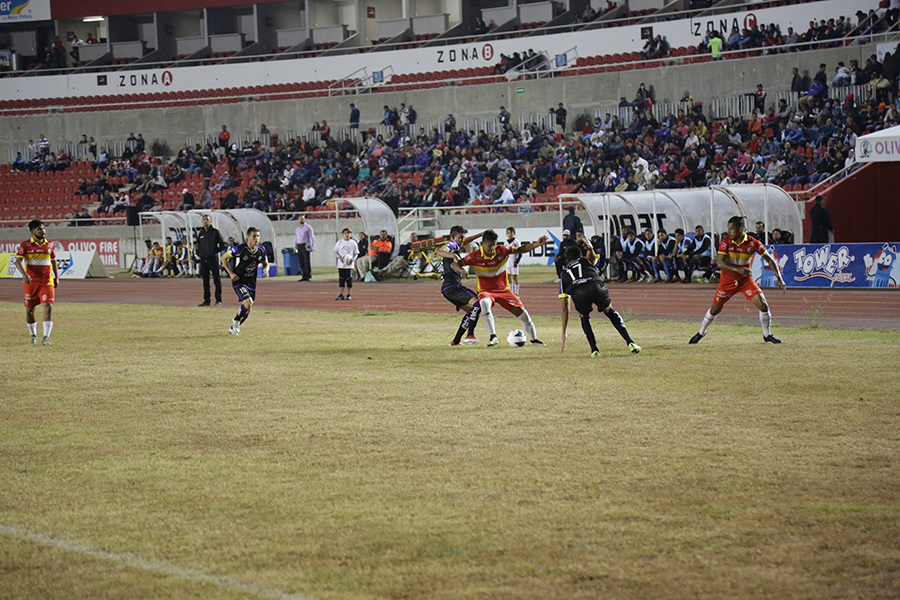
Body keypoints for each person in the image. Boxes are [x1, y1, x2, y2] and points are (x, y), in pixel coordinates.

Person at [689, 216, 786, 345]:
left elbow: (769, 259)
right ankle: (702, 332)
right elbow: (720, 263)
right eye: (728, 229)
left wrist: (779, 278)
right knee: (715, 309)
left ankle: (767, 335)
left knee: (763, 305)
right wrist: (737, 270)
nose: (728, 232)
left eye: (731, 229)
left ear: (740, 229)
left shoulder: (753, 243)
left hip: (745, 281)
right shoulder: (725, 242)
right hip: (727, 281)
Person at [455, 229, 550, 347]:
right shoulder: (475, 256)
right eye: (490, 246)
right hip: (486, 291)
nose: (492, 248)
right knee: (484, 303)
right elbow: (455, 264)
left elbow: (520, 250)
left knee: (523, 313)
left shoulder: (502, 250)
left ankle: (534, 340)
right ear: (483, 244)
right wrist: (461, 270)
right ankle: (493, 337)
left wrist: (536, 244)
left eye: (494, 245)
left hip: (504, 290)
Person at [560, 234, 640, 356]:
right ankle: (630, 342)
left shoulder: (564, 273)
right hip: (595, 285)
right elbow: (592, 257)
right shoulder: (586, 261)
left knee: (584, 317)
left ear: (567, 259)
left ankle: (594, 350)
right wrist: (590, 248)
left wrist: (564, 331)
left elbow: (565, 307)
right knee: (610, 311)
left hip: (579, 291)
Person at [435, 226, 486, 346]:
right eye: (460, 238)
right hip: (453, 287)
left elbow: (464, 242)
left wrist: (480, 234)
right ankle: (470, 335)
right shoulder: (451, 245)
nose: (462, 241)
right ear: (453, 237)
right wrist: (459, 266)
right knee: (478, 304)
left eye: (463, 238)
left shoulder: (455, 245)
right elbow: (440, 252)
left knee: (472, 311)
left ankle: (456, 341)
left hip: (447, 289)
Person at [15, 220, 59, 345]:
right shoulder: (25, 245)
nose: (43, 230)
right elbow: (17, 261)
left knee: (48, 306)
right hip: (31, 282)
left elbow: (54, 261)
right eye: (40, 229)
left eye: (44, 228)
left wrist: (56, 277)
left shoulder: (50, 245)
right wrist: (24, 274)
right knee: (30, 310)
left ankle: (46, 337)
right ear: (32, 231)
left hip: (47, 281)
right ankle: (33, 335)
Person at [222, 227, 269, 336]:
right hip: (239, 281)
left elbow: (265, 263)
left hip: (251, 282)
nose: (256, 239)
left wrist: (266, 269)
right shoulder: (240, 249)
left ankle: (235, 325)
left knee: (248, 307)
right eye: (254, 236)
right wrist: (230, 273)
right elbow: (224, 258)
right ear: (248, 237)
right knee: (248, 302)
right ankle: (236, 322)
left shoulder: (261, 250)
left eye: (258, 236)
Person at [196, 213, 226, 306]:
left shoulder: (215, 232)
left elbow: (223, 245)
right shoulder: (201, 233)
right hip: (203, 259)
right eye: (204, 219)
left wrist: (214, 251)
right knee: (205, 281)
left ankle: (218, 300)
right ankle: (207, 300)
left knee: (216, 280)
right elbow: (198, 245)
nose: (206, 221)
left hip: (212, 259)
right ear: (202, 221)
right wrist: (199, 253)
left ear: (210, 221)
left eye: (207, 219)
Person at [333, 228, 359, 301]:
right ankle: (341, 294)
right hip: (341, 264)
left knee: (349, 279)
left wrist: (353, 259)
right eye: (345, 233)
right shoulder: (340, 242)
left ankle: (349, 294)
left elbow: (356, 253)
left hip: (349, 265)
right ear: (343, 234)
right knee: (341, 279)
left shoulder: (353, 243)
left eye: (348, 233)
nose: (347, 235)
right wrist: (340, 257)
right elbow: (335, 251)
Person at [294, 214, 316, 281]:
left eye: (302, 218)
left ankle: (308, 275)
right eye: (300, 219)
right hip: (299, 245)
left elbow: (311, 237)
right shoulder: (297, 228)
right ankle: (304, 275)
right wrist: (295, 247)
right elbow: (296, 238)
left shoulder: (308, 227)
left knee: (306, 261)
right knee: (301, 261)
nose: (301, 220)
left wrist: (312, 246)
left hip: (305, 245)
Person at [504, 227, 522, 296]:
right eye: (508, 233)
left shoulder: (516, 242)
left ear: (514, 233)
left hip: (514, 261)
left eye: (511, 233)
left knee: (514, 277)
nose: (509, 234)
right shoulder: (506, 242)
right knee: (508, 277)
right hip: (508, 262)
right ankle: (511, 291)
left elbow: (520, 253)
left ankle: (516, 292)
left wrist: (516, 262)